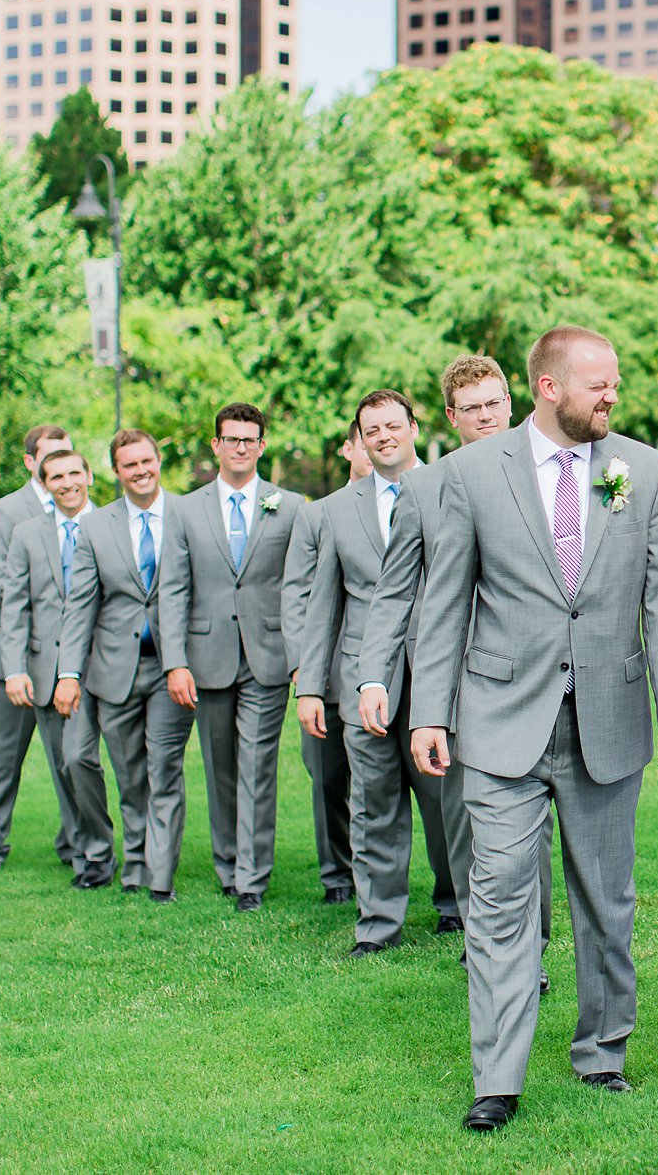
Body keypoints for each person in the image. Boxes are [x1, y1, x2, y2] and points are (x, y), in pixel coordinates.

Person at [404, 325, 658, 1133]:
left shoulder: (641, 469)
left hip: (607, 717)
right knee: (498, 897)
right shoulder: (471, 472)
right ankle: (496, 1078)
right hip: (500, 720)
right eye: (598, 385)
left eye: (616, 383)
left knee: (606, 899)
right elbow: (443, 604)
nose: (613, 396)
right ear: (547, 386)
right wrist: (430, 710)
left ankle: (602, 1051)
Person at [358, 357, 558, 978]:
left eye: (494, 403)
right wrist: (372, 675)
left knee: (532, 828)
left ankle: (533, 949)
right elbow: (393, 592)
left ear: (512, 402)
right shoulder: (425, 489)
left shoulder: (553, 476)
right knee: (467, 824)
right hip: (455, 685)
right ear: (451, 417)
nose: (485, 417)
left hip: (534, 679)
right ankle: (491, 952)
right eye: (471, 409)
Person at [293, 392, 461, 953]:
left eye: (393, 425)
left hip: (437, 675)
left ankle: (455, 905)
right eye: (372, 429)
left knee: (445, 802)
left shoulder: (451, 486)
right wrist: (312, 687)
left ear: (414, 427)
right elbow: (322, 607)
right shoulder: (334, 511)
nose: (384, 435)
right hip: (362, 681)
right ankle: (378, 925)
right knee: (372, 805)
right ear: (359, 439)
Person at [157, 402, 307, 910]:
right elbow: (172, 590)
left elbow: (298, 587)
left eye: (250, 439)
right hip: (207, 656)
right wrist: (175, 661)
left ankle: (252, 879)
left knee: (258, 769)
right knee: (220, 768)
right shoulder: (183, 509)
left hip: (269, 655)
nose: (241, 447)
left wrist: (301, 657)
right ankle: (227, 864)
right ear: (216, 445)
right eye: (231, 439)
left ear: (262, 446)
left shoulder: (290, 506)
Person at [55, 430, 179, 897]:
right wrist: (69, 673)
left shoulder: (186, 514)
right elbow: (80, 604)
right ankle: (135, 868)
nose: (141, 470)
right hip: (114, 672)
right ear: (116, 471)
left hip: (171, 669)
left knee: (164, 770)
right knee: (130, 778)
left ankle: (161, 877)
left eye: (147, 460)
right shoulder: (96, 527)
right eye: (130, 465)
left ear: (158, 460)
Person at [0, 449, 112, 887]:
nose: (66, 483)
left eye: (73, 473)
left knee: (95, 759)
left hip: (106, 665)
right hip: (47, 670)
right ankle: (93, 855)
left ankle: (140, 852)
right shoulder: (27, 534)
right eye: (56, 477)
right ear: (44, 485)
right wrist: (14, 669)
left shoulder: (110, 524)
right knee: (67, 764)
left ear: (88, 476)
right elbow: (15, 606)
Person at [0, 423, 81, 875]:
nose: (58, 464)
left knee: (72, 758)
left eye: (66, 453)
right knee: (6, 757)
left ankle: (75, 842)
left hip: (70, 658)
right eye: (49, 456)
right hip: (16, 658)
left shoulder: (85, 509)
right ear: (29, 462)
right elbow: (3, 587)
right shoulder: (5, 512)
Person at [280, 419, 373, 909]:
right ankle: (338, 872)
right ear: (348, 449)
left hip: (386, 670)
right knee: (329, 777)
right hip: (330, 667)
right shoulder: (318, 515)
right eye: (366, 440)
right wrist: (304, 670)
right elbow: (296, 594)